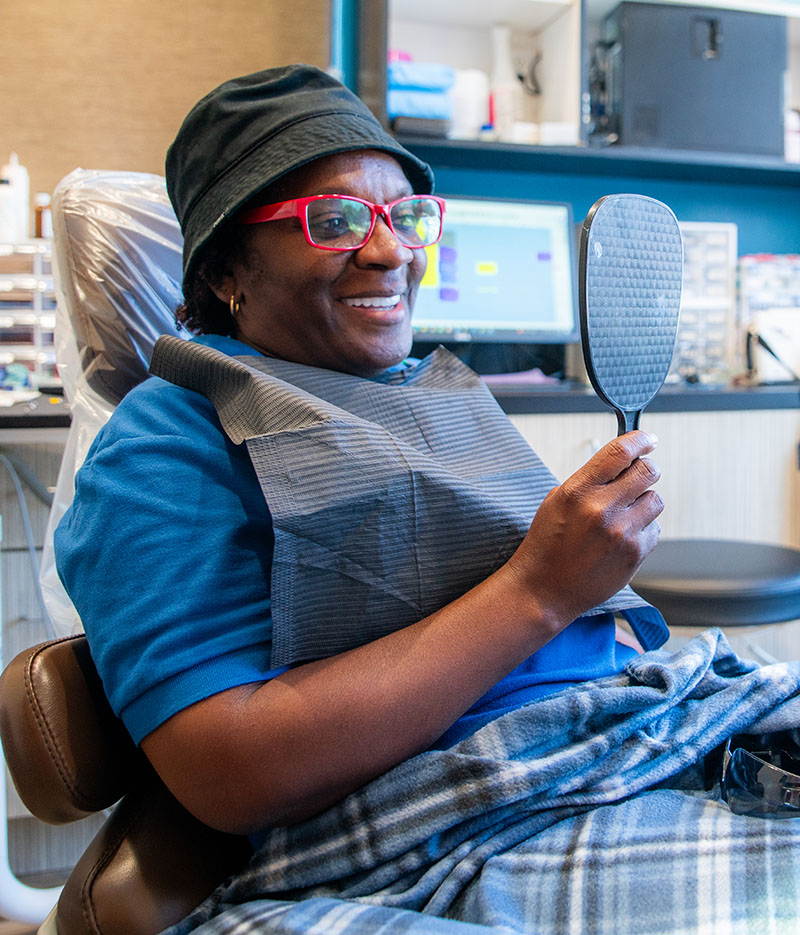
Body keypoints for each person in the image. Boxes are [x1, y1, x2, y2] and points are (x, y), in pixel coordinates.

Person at [54, 65, 800, 935]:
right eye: (334, 222)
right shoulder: (166, 443)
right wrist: (541, 591)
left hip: (643, 724)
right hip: (479, 815)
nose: (390, 251)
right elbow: (230, 770)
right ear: (225, 268)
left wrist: (597, 595)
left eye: (407, 216)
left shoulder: (428, 390)